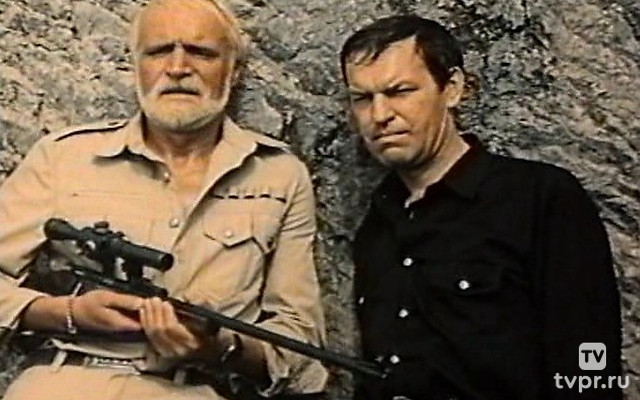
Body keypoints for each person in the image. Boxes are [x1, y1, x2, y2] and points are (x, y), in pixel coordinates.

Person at [0, 0, 327, 399]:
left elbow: (301, 348)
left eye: (201, 52)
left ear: (234, 70)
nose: (177, 68)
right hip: (64, 383)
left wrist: (218, 348)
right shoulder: (63, 157)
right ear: (135, 65)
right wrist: (67, 313)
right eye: (158, 51)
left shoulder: (279, 175)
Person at [340, 15, 622, 400]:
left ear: (452, 88)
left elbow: (590, 365)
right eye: (362, 98)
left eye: (400, 91)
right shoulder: (376, 227)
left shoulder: (539, 199)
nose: (380, 115)